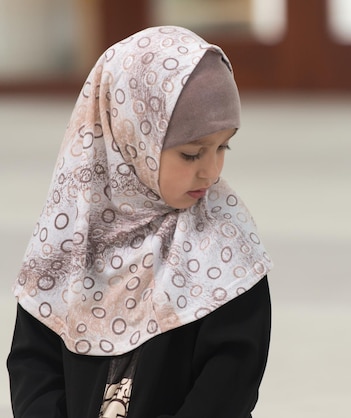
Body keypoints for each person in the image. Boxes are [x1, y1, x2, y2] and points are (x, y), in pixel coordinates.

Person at [6, 26, 273, 418]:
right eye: (191, 153)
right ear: (129, 138)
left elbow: (229, 379)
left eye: (223, 147)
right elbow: (32, 364)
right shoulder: (71, 234)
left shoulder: (225, 247)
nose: (212, 172)